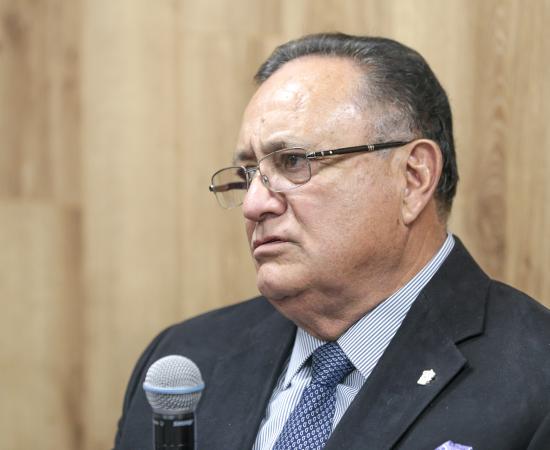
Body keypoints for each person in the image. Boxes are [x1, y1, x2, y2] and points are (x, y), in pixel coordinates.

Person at [113, 33, 550, 450]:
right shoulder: (183, 365)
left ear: (413, 178)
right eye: (247, 176)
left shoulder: (536, 378)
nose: (254, 204)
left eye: (293, 162)